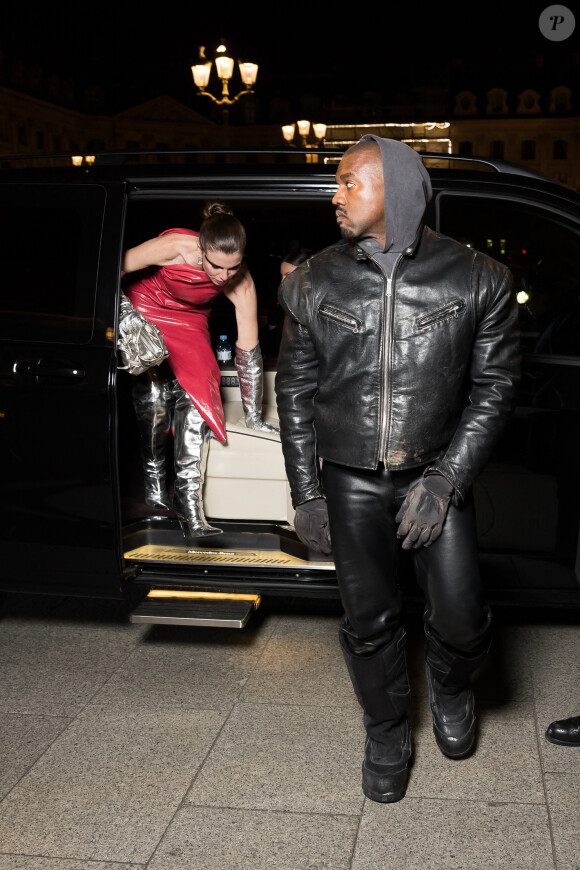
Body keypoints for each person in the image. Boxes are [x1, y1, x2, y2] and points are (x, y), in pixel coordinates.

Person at [275, 137, 520, 803]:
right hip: (349, 479)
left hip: (436, 475)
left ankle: (449, 683)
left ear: (400, 188)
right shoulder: (311, 282)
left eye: (349, 182)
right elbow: (293, 392)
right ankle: (386, 728)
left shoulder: (478, 278)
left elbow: (495, 389)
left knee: (463, 616)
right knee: (369, 619)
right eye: (337, 184)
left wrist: (447, 480)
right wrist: (306, 492)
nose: (335, 195)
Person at [121, 200, 277, 544]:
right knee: (155, 401)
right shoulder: (173, 247)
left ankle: (189, 508)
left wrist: (253, 415)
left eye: (233, 268)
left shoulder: (242, 283)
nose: (224, 277)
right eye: (217, 267)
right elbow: (110, 270)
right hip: (146, 306)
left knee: (199, 401)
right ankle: (155, 489)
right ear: (200, 249)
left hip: (190, 322)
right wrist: (125, 316)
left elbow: (248, 350)